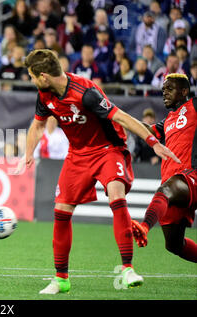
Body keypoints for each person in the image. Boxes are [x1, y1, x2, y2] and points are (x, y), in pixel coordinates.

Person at [18, 49, 180, 295]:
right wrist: (28, 153)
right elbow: (38, 125)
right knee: (61, 211)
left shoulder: (86, 93)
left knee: (116, 194)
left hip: (107, 150)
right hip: (77, 154)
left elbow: (122, 117)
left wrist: (152, 142)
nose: (30, 81)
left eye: (31, 76)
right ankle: (61, 279)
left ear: (43, 76)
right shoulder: (45, 94)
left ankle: (127, 269)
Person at [131, 74, 197, 263]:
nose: (164, 93)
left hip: (191, 175)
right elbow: (147, 131)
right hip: (174, 185)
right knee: (174, 244)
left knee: (167, 188)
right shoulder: (168, 120)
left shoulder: (194, 106)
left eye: (169, 89)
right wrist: (119, 118)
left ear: (184, 91)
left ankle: (144, 227)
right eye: (163, 90)